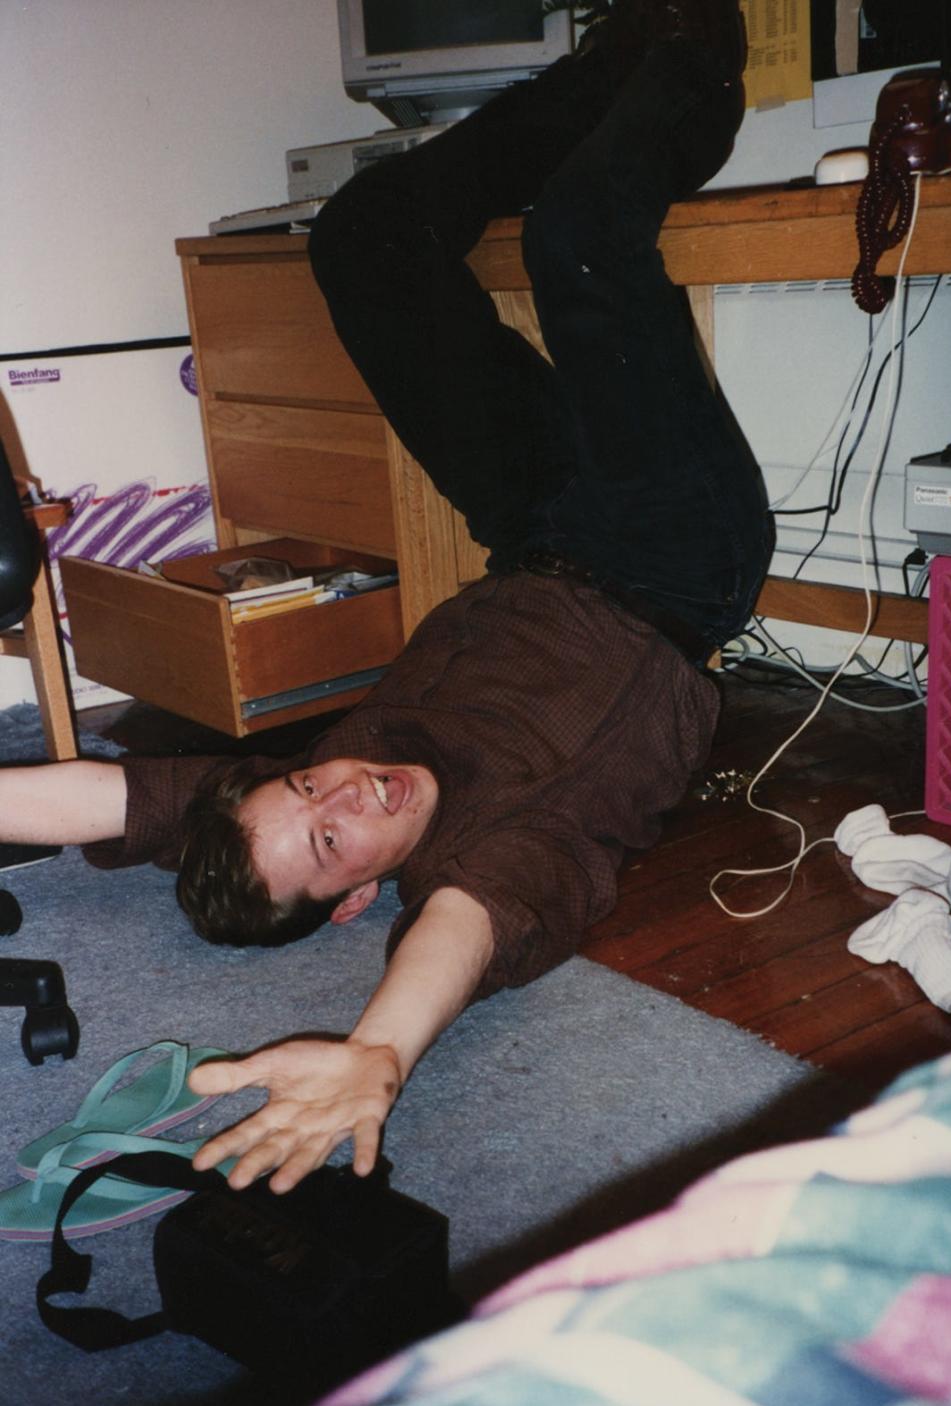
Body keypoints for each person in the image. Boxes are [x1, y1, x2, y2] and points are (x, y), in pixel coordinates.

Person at [0, 0, 772, 1197]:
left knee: (359, 240)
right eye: (329, 836)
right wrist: (377, 1051)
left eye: (305, 783)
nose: (345, 787)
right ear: (358, 897)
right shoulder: (495, 848)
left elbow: (112, 795)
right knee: (577, 239)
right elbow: (463, 930)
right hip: (673, 561)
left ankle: (608, 61)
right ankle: (691, 63)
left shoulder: (326, 779)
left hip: (529, 528)